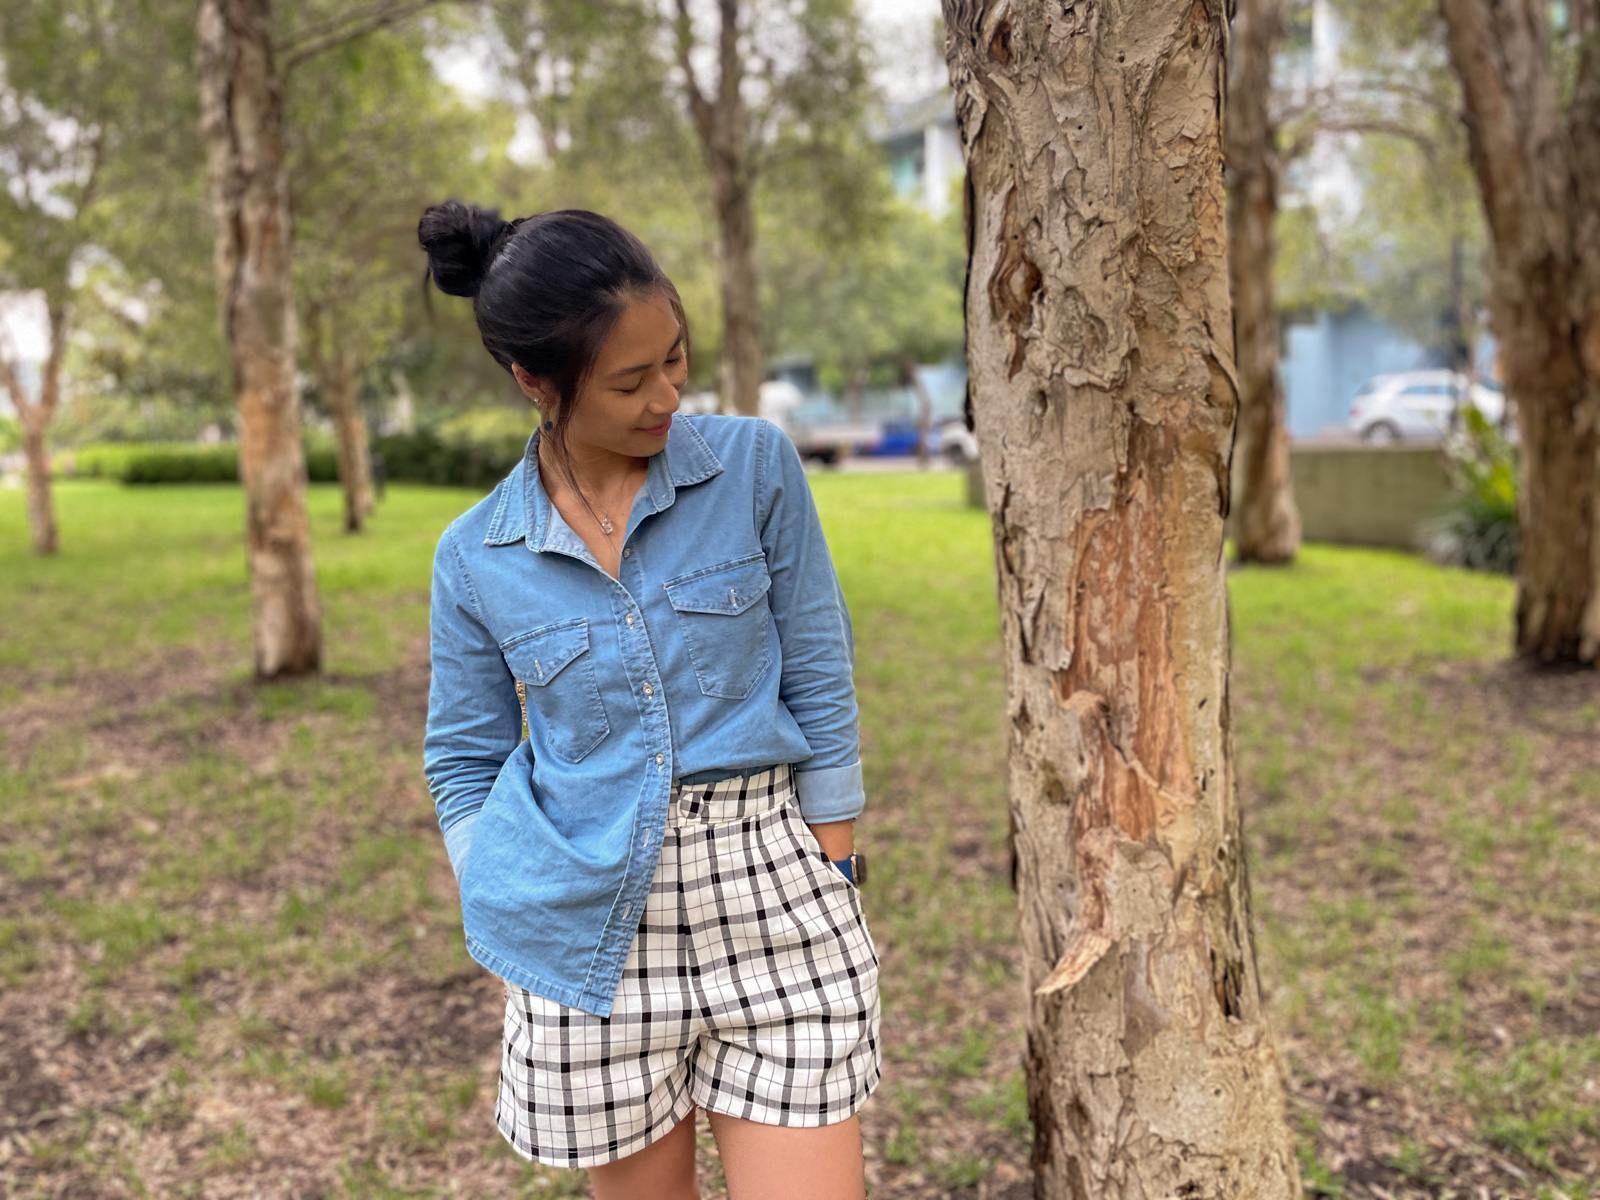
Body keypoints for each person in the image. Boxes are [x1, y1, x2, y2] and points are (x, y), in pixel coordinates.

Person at [417, 202, 880, 1200]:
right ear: (534, 382)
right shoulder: (473, 554)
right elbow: (461, 755)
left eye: (675, 358)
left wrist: (833, 860)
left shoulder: (752, 465)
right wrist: (500, 886)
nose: (667, 393)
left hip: (772, 889)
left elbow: (819, 667)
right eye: (631, 380)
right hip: (583, 925)